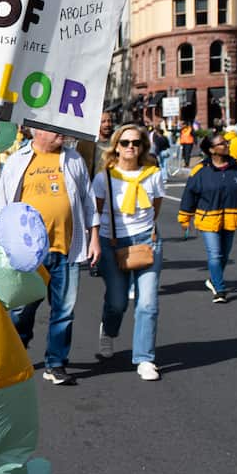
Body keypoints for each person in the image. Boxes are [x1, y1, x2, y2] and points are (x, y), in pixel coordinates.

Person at [0, 128, 101, 385]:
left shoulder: (73, 159)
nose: (61, 134)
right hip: (29, 254)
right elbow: (2, 205)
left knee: (64, 311)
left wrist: (94, 237)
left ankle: (56, 364)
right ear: (37, 131)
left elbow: (88, 201)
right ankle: (17, 354)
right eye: (55, 130)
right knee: (21, 310)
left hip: (66, 249)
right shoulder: (18, 161)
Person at [92, 124, 165, 381]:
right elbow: (96, 213)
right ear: (116, 147)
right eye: (125, 143)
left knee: (148, 303)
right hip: (112, 243)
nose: (130, 147)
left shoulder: (154, 175)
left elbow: (155, 209)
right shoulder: (105, 178)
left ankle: (145, 359)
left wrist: (143, 232)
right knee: (117, 301)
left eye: (136, 142)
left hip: (147, 241)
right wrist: (95, 243)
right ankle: (108, 331)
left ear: (143, 146)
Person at [178, 133, 237, 303]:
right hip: (208, 219)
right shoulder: (200, 171)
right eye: (222, 143)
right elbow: (189, 195)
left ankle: (213, 280)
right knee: (215, 254)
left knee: (223, 255)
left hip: (230, 219)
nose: (227, 145)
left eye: (226, 142)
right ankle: (220, 290)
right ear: (211, 150)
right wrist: (185, 218)